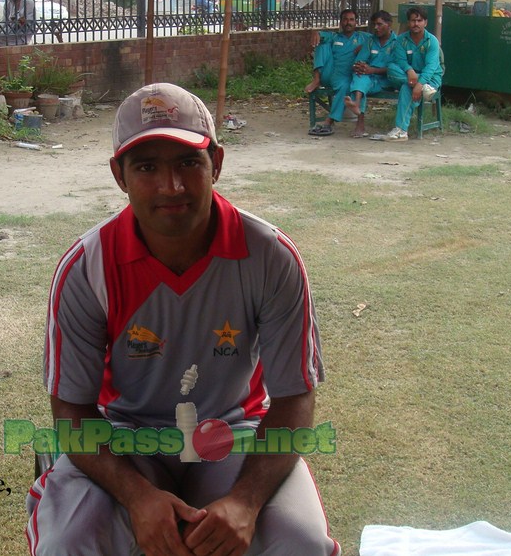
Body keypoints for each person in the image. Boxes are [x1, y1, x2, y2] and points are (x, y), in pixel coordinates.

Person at [25, 83, 341, 556]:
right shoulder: (87, 268)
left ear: (216, 161)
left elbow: (295, 399)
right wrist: (138, 498)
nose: (170, 187)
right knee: (68, 543)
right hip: (123, 435)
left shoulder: (270, 257)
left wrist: (245, 502)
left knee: (302, 543)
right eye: (147, 167)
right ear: (119, 174)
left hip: (234, 431)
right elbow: (71, 412)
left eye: (188, 163)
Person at [305, 8, 370, 136]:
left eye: (351, 20)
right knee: (322, 43)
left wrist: (366, 46)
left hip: (347, 76)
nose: (348, 22)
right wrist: (316, 33)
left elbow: (386, 37)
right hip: (330, 73)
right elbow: (319, 34)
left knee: (345, 87)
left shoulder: (364, 37)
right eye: (345, 19)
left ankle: (329, 122)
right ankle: (316, 79)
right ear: (340, 22)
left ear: (356, 22)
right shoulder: (334, 36)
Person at [383, 6, 443, 142]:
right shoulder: (401, 40)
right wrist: (410, 72)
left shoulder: (431, 41)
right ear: (408, 23)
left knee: (406, 88)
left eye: (419, 20)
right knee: (391, 68)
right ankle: (402, 130)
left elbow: (431, 66)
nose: (415, 24)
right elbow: (400, 60)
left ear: (425, 23)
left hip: (430, 78)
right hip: (408, 76)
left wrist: (419, 83)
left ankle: (401, 130)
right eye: (412, 21)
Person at [343, 10, 397, 138]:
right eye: (374, 25)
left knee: (361, 83)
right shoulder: (371, 41)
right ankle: (357, 109)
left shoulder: (397, 42)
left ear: (389, 24)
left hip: (388, 80)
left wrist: (373, 70)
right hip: (369, 79)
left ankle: (358, 112)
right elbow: (359, 61)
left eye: (379, 24)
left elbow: (396, 68)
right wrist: (360, 66)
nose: (376, 28)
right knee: (359, 76)